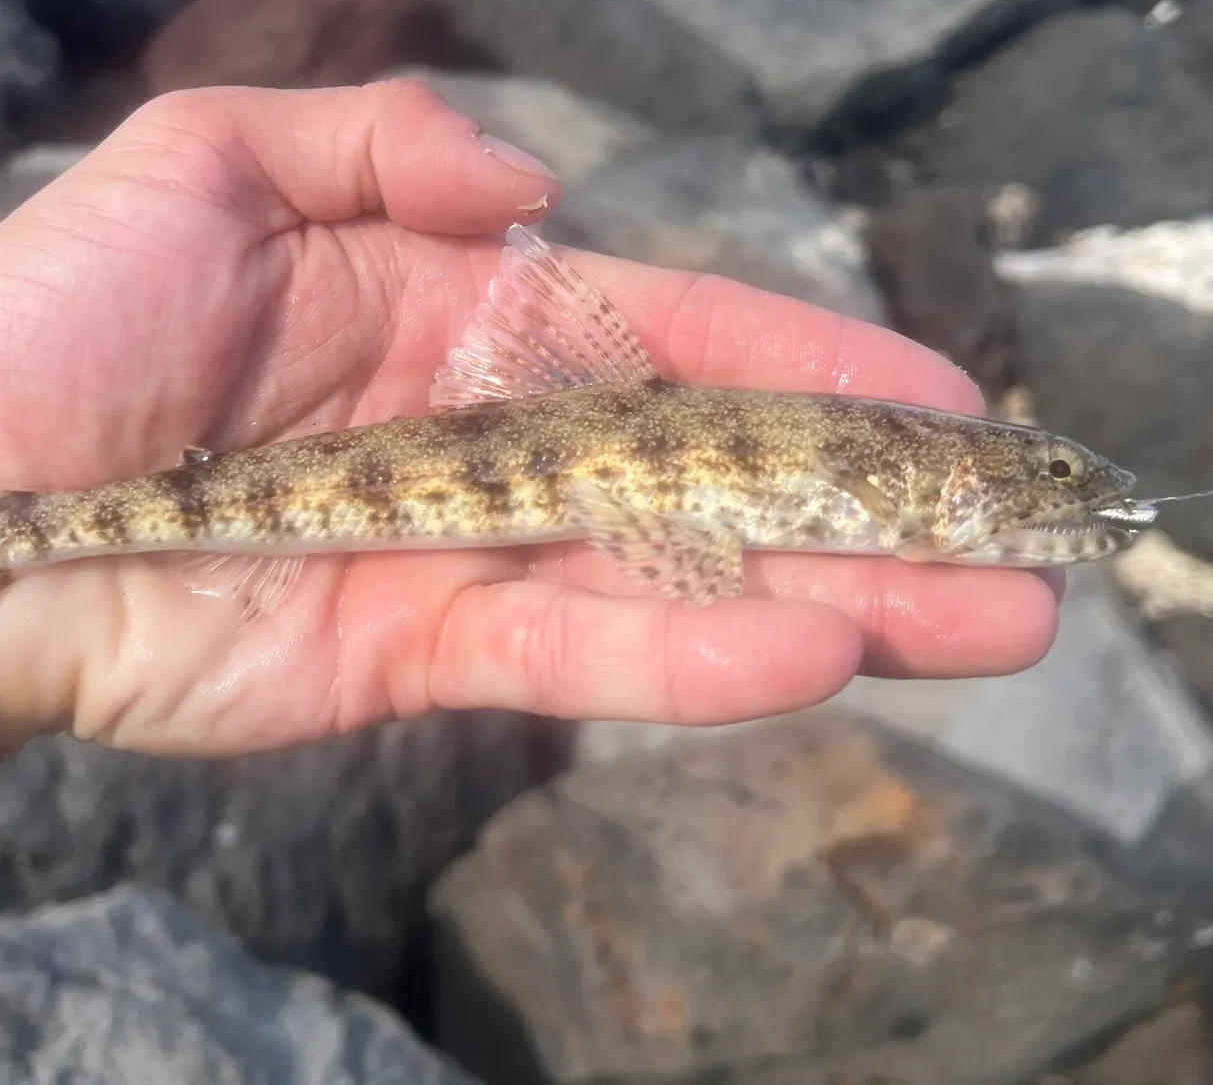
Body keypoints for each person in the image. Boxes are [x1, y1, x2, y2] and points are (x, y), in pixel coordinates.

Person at [0, 79, 1061, 761]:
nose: (1059, 488)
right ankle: (31, 524)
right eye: (1049, 475)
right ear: (945, 488)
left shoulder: (909, 473)